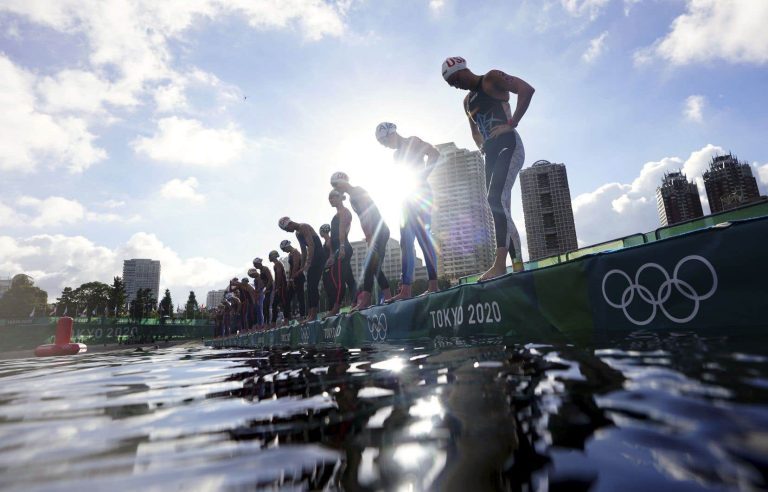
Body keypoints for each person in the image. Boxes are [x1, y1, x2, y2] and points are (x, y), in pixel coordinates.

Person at [442, 56, 535, 280]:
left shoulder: (491, 78)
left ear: (463, 69)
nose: (456, 86)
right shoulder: (466, 102)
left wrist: (511, 123)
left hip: (509, 145)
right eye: (451, 85)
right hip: (491, 154)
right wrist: (481, 145)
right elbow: (474, 130)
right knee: (499, 206)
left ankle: (499, 264)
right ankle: (518, 264)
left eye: (455, 80)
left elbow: (526, 89)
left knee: (496, 199)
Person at [375, 122, 440, 300]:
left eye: (384, 142)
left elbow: (434, 153)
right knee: (405, 241)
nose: (385, 146)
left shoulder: (412, 141)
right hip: (406, 197)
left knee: (424, 238)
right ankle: (406, 290)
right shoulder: (396, 156)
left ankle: (433, 285)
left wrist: (422, 177)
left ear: (390, 134)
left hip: (421, 195)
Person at [330, 172, 391, 310]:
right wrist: (368, 235)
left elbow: (367, 213)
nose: (334, 187)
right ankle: (386, 296)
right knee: (373, 266)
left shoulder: (358, 191)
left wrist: (370, 236)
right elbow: (362, 218)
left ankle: (366, 300)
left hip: (379, 231)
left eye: (335, 184)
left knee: (370, 264)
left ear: (342, 181)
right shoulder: (352, 198)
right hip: (375, 232)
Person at [279, 217, 325, 322]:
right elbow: (303, 251)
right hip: (312, 257)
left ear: (289, 224)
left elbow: (312, 245)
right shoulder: (297, 233)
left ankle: (313, 314)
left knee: (312, 285)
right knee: (309, 286)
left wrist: (308, 263)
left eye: (286, 229)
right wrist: (301, 268)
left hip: (318, 255)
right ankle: (310, 314)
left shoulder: (303, 227)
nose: (287, 231)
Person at [327, 189, 357, 316]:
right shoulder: (338, 213)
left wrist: (342, 247)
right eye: (329, 199)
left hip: (343, 247)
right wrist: (332, 253)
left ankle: (336, 307)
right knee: (349, 278)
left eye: (332, 198)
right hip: (339, 248)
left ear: (339, 197)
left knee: (339, 279)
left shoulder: (344, 212)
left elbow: (343, 231)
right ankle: (356, 301)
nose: (330, 201)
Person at [280, 239, 305, 319]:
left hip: (298, 277)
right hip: (293, 278)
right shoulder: (290, 254)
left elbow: (296, 265)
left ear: (287, 246)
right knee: (287, 298)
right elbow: (291, 268)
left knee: (300, 297)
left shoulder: (295, 252)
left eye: (284, 249)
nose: (284, 251)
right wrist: (289, 281)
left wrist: (292, 279)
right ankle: (287, 318)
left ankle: (302, 315)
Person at [319, 224, 337, 313]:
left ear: (323, 231)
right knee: (327, 287)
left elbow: (332, 254)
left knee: (331, 287)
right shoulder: (325, 242)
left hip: (330, 267)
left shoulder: (329, 241)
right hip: (325, 267)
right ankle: (330, 308)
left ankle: (333, 307)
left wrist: (328, 264)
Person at [269, 250, 290, 325]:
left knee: (284, 303)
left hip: (281, 286)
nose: (269, 258)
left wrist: (277, 287)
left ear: (273, 256)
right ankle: (274, 322)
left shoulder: (277, 264)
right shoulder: (276, 264)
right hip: (280, 286)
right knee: (275, 304)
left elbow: (279, 275)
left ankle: (286, 320)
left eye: (270, 256)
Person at [253, 258, 274, 327]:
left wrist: (266, 288)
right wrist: (259, 289)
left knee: (267, 306)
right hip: (267, 289)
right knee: (265, 307)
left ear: (259, 263)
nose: (254, 266)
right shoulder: (261, 271)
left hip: (270, 289)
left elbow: (270, 279)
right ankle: (266, 323)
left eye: (255, 264)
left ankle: (268, 323)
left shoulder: (265, 269)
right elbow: (263, 283)